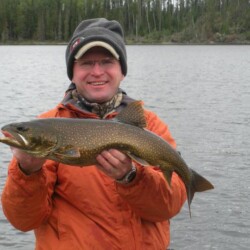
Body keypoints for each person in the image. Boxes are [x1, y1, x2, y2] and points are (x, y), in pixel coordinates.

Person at [1, 18, 186, 250]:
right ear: (73, 72)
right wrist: (27, 171)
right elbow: (24, 221)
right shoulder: (50, 125)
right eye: (86, 63)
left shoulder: (150, 125)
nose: (97, 72)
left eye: (107, 61)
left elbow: (167, 207)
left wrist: (131, 178)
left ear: (122, 71)